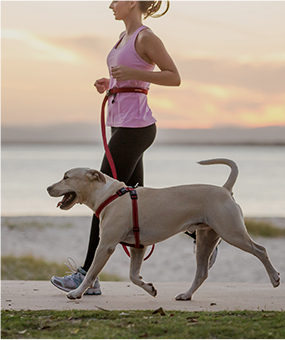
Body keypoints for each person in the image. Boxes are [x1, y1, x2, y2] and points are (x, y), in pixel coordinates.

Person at [51, 0, 181, 295]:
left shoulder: (146, 37)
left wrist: (132, 76)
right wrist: (110, 82)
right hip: (121, 125)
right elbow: (129, 78)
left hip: (136, 128)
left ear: (132, 2)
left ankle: (86, 277)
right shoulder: (123, 38)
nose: (110, 4)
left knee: (103, 203)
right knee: (140, 205)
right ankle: (198, 231)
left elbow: (174, 76)